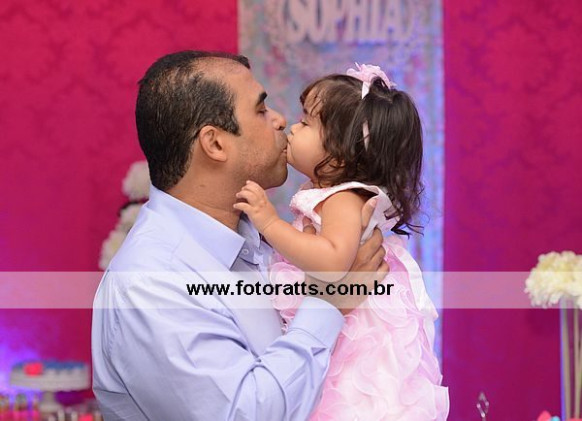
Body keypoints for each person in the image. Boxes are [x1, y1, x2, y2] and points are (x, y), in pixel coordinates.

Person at [91, 51, 387, 421]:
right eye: (261, 110)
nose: (280, 121)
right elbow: (244, 413)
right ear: (215, 144)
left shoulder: (267, 240)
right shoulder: (151, 282)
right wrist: (329, 301)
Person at [234, 64, 450, 420]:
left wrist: (270, 223)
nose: (292, 128)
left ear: (340, 153)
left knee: (348, 400)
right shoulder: (333, 195)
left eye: (305, 123)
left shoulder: (343, 199)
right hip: (341, 320)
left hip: (357, 337)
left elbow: (333, 263)